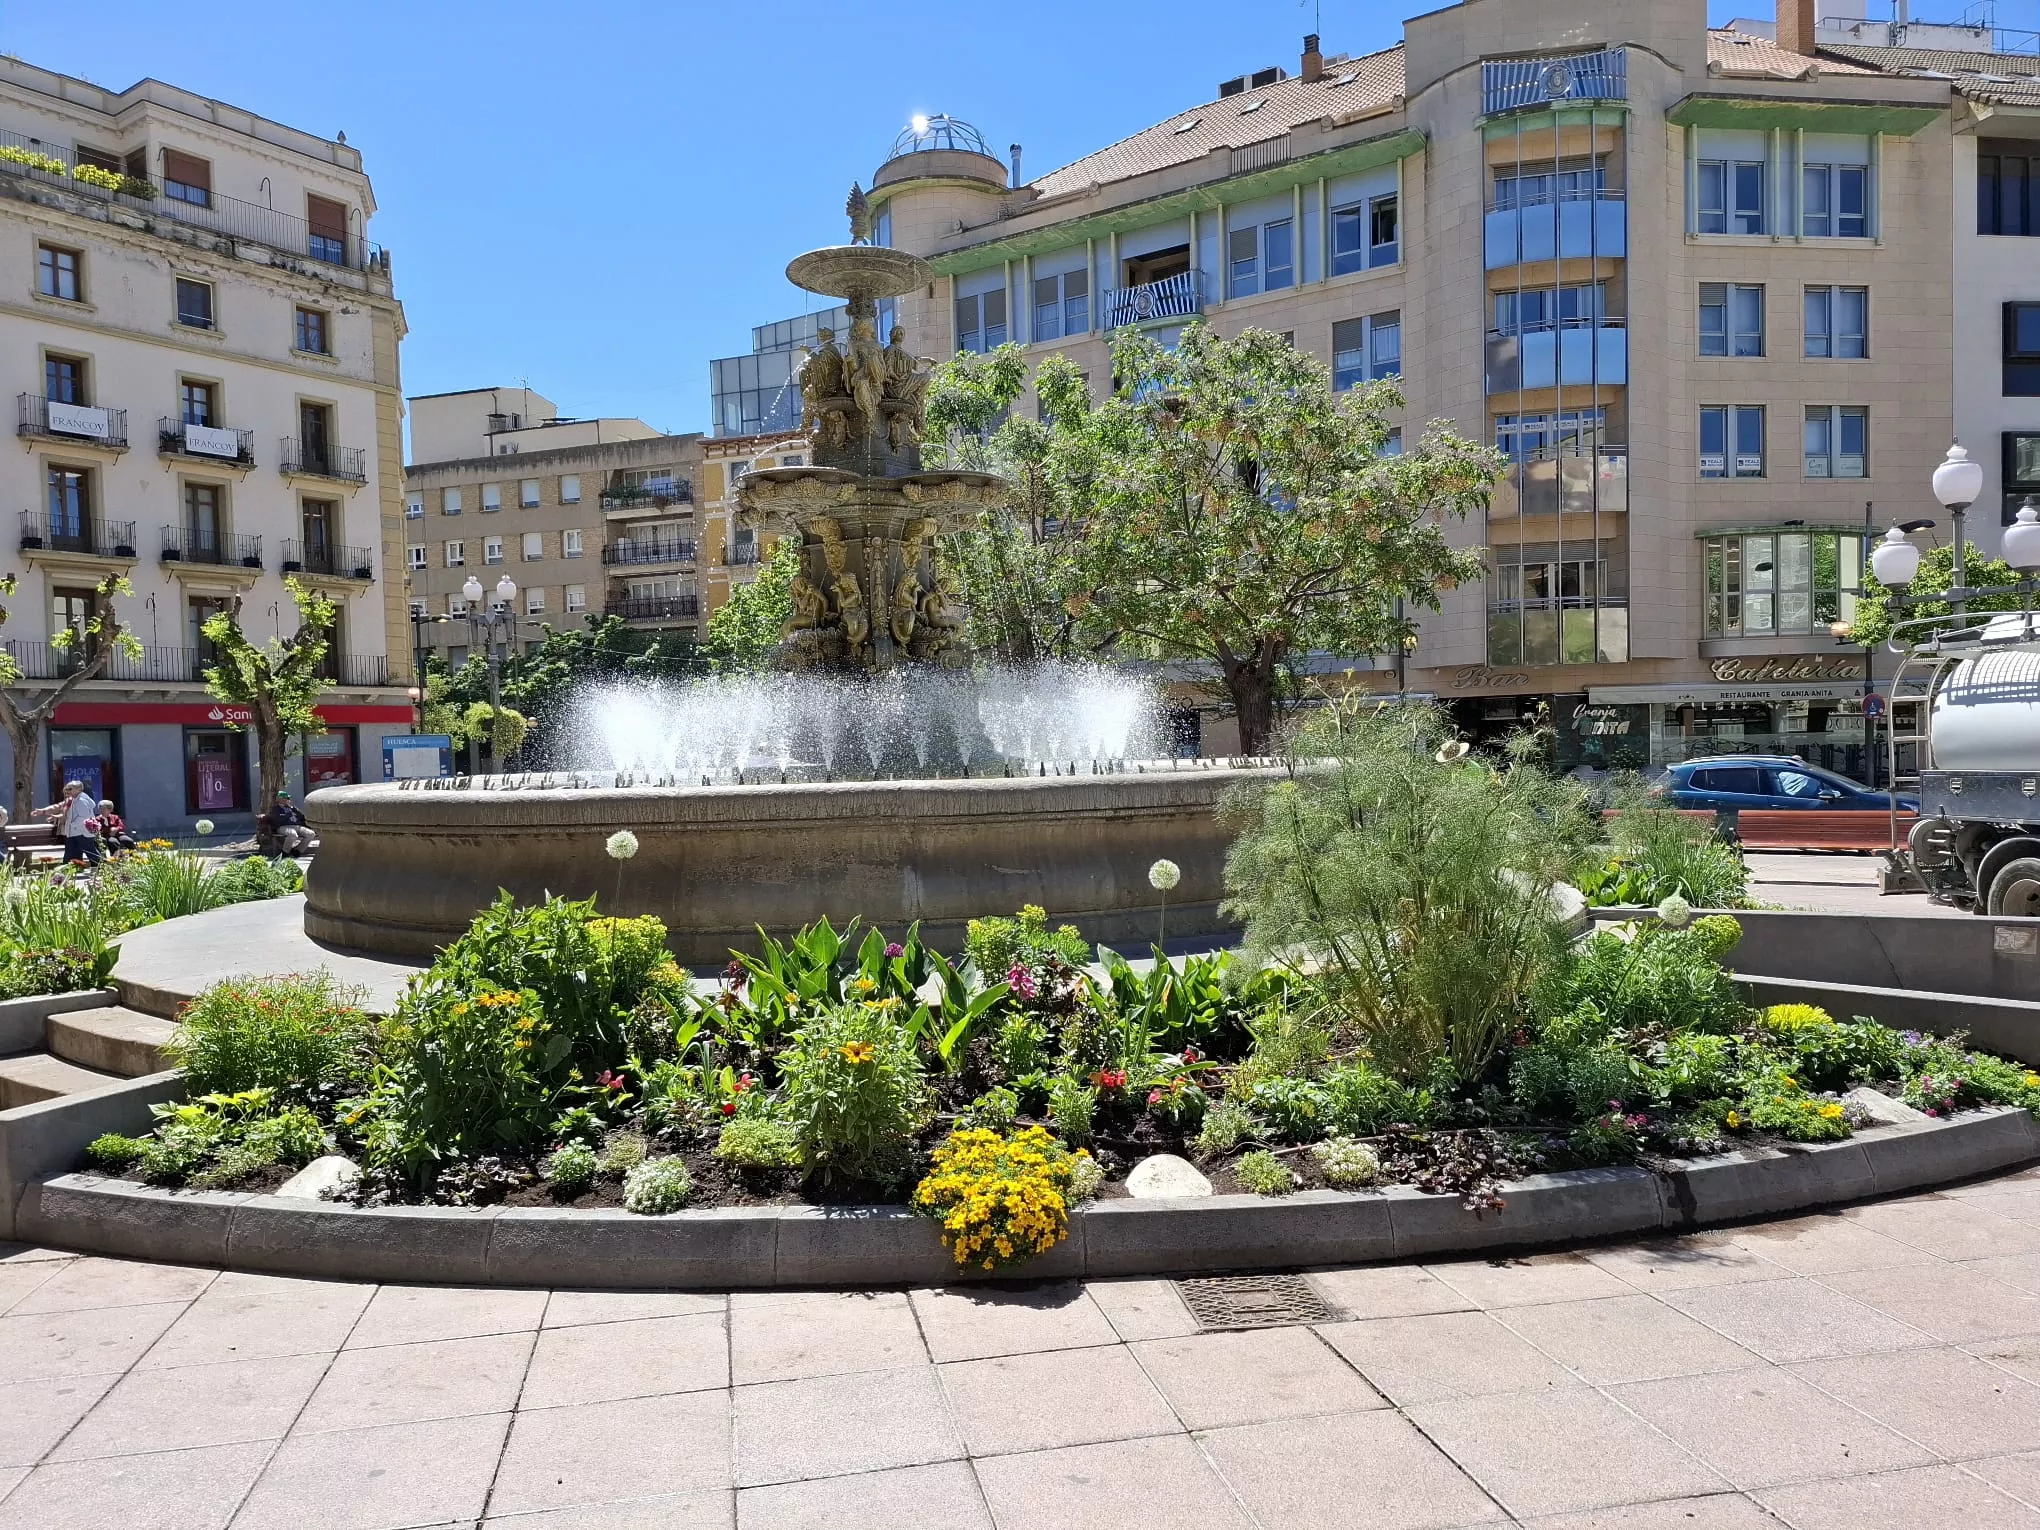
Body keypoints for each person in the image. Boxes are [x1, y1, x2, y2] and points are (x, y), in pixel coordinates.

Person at [36, 781, 101, 866]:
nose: (67, 791)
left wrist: (71, 825)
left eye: (70, 789)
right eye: (66, 789)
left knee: (91, 853)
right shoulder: (72, 800)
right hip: (74, 833)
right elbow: (65, 811)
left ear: (79, 789)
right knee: (71, 855)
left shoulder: (81, 801)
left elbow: (83, 818)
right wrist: (49, 814)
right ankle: (69, 872)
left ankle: (103, 869)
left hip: (82, 833)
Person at [268, 791, 314, 855]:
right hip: (283, 827)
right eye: (286, 798)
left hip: (297, 826)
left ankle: (297, 850)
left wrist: (293, 808)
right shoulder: (276, 808)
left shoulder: (292, 808)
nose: (288, 800)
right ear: (280, 799)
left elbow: (302, 816)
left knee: (311, 834)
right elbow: (278, 820)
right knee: (293, 835)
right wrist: (288, 813)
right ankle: (285, 852)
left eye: (288, 798)